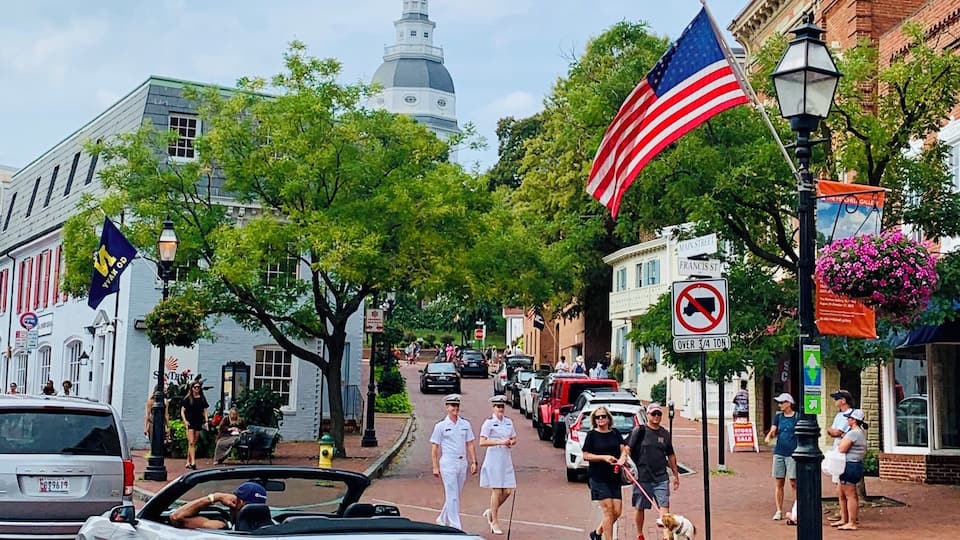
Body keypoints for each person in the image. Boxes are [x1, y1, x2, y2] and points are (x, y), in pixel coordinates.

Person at [627, 403, 680, 540]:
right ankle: (640, 534)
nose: (656, 416)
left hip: (661, 477)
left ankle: (666, 537)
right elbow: (628, 448)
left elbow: (671, 455)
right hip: (642, 477)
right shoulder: (639, 431)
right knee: (640, 507)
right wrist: (625, 463)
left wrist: (675, 475)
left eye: (659, 414)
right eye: (653, 414)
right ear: (648, 415)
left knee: (664, 507)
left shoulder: (665, 434)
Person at [430, 393, 478, 530]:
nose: (455, 408)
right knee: (452, 494)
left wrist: (474, 462)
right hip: (448, 463)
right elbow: (435, 447)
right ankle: (455, 525)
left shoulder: (465, 424)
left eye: (457, 405)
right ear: (447, 407)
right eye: (452, 406)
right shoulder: (441, 426)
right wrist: (435, 466)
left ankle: (442, 518)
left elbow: (470, 443)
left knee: (455, 494)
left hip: (462, 462)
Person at [581, 406, 629, 540]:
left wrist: (622, 458)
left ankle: (597, 533)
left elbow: (623, 449)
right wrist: (604, 457)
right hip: (598, 477)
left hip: (614, 477)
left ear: (608, 418)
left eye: (603, 416)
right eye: (598, 417)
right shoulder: (592, 435)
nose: (601, 419)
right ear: (594, 420)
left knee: (617, 512)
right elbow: (585, 455)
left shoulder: (615, 433)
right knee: (608, 511)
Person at [479, 395, 517, 535]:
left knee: (507, 491)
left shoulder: (508, 422)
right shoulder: (489, 423)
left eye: (502, 406)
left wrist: (511, 442)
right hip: (494, 458)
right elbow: (482, 442)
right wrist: (500, 442)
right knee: (497, 490)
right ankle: (494, 521)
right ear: (493, 408)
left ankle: (491, 511)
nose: (500, 409)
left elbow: (514, 438)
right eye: (497, 406)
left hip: (505, 459)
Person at [170, 481, 268, 529]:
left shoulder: (221, 527)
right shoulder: (276, 525)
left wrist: (215, 497)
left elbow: (176, 517)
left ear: (238, 503)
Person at [764, 393, 798, 521]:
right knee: (779, 482)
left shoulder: (797, 417)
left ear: (788, 403)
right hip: (779, 452)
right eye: (779, 402)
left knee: (794, 482)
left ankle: (796, 508)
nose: (779, 405)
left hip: (792, 453)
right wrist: (770, 435)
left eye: (782, 402)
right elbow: (773, 430)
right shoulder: (778, 417)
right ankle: (779, 510)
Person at [833, 409, 868, 531]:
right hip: (853, 465)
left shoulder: (853, 433)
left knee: (850, 495)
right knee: (842, 493)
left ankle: (852, 522)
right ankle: (845, 519)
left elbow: (842, 448)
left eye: (849, 418)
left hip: (850, 465)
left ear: (854, 420)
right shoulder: (859, 432)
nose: (847, 420)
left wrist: (841, 442)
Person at [826, 389, 854, 524]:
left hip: (844, 453)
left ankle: (847, 516)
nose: (835, 401)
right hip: (836, 451)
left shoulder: (850, 415)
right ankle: (843, 514)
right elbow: (831, 430)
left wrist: (833, 432)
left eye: (837, 399)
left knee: (844, 487)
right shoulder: (839, 415)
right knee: (838, 485)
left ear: (843, 400)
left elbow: (837, 432)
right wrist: (832, 432)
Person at [180, 381, 209, 470]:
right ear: (192, 388)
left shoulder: (202, 399)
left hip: (198, 421)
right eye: (195, 387)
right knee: (191, 442)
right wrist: (185, 421)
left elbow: (205, 410)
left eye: (198, 387)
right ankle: (193, 462)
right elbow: (182, 411)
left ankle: (188, 461)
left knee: (193, 442)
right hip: (190, 421)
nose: (196, 389)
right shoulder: (188, 398)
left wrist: (207, 421)